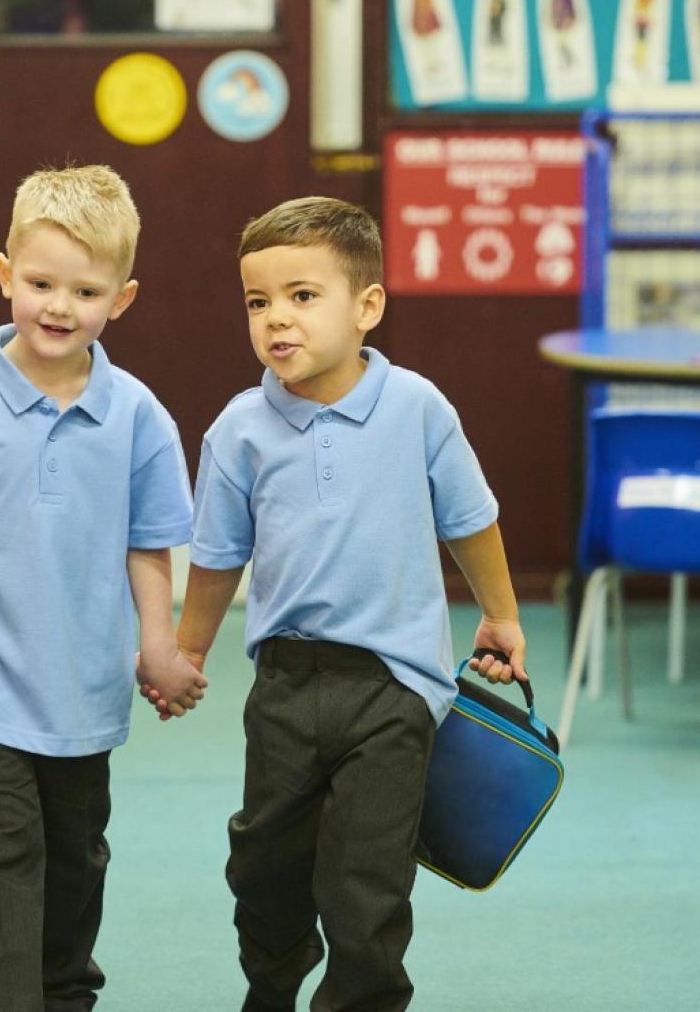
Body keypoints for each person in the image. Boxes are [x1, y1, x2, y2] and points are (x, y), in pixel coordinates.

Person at [145, 196, 528, 1012]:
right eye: (258, 302)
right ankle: (272, 987)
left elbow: (472, 521)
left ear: (367, 306)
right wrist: (186, 653)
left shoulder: (418, 407)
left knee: (367, 886)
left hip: (396, 689)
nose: (277, 319)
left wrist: (501, 614)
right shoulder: (238, 430)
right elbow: (217, 560)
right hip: (285, 686)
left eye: (302, 296)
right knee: (265, 872)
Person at [0, 164, 204, 1011]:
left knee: (76, 858)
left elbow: (149, 549)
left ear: (121, 299)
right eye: (40, 283)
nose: (59, 306)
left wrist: (158, 645)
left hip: (87, 692)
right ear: (4, 276)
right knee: (4, 861)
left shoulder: (138, 416)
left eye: (85, 291)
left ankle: (65, 994)